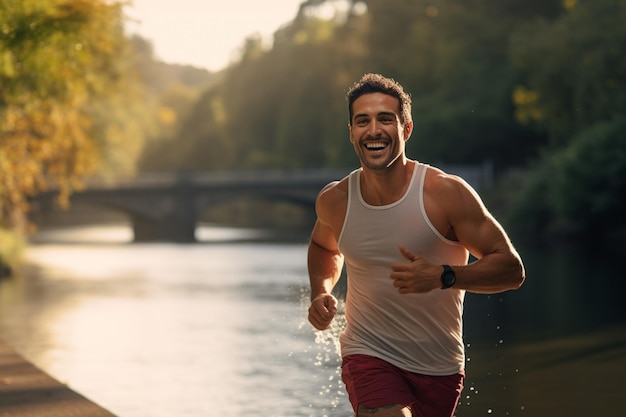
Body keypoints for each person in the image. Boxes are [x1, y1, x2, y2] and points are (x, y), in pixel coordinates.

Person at [307, 73, 525, 417]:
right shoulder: (336, 200)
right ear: (351, 132)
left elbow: (511, 270)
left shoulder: (445, 194)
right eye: (362, 121)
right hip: (367, 352)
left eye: (385, 119)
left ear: (406, 129)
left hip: (440, 368)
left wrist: (444, 276)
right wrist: (321, 290)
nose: (373, 130)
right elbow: (323, 248)